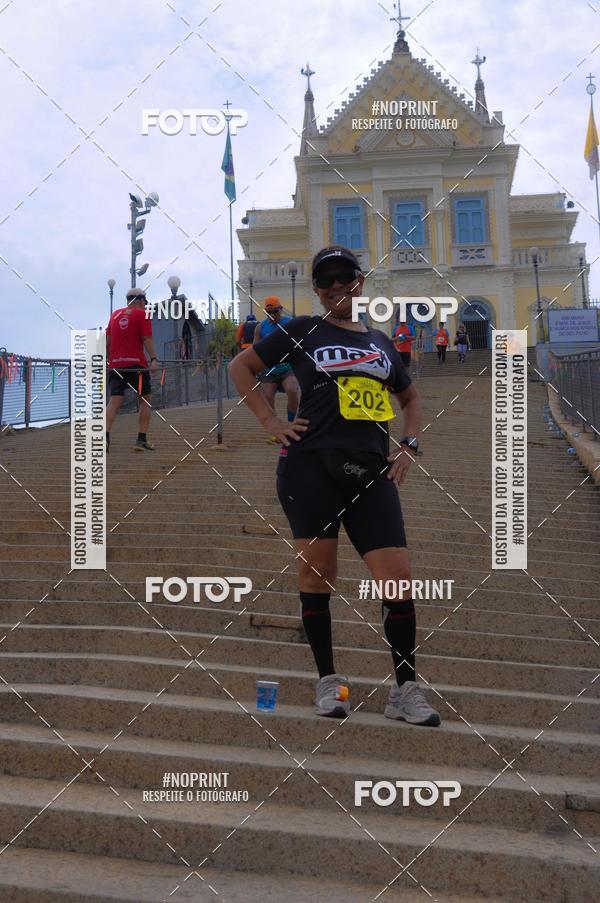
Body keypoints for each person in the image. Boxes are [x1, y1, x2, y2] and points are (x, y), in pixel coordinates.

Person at [229, 245, 441, 727]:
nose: (335, 286)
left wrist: (409, 444)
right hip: (309, 467)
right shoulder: (303, 328)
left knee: (397, 579)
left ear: (359, 282)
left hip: (371, 471)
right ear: (316, 289)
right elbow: (240, 367)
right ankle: (328, 681)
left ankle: (404, 690)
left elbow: (410, 398)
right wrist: (270, 422)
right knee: (316, 575)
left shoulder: (382, 342)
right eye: (325, 281)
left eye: (344, 276)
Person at [106, 287, 159, 452]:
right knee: (145, 399)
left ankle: (104, 438)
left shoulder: (115, 315)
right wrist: (154, 359)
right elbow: (147, 338)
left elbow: (108, 341)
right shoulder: (142, 314)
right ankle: (141, 439)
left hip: (116, 365)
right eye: (145, 302)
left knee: (114, 400)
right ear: (141, 300)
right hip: (137, 365)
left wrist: (108, 361)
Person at [253, 297, 300, 441]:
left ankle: (291, 424)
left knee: (292, 390)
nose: (272, 315)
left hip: (287, 367)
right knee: (267, 396)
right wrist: (254, 370)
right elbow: (255, 350)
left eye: (275, 311)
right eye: (269, 312)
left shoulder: (290, 323)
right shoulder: (260, 328)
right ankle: (276, 430)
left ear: (281, 310)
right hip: (269, 370)